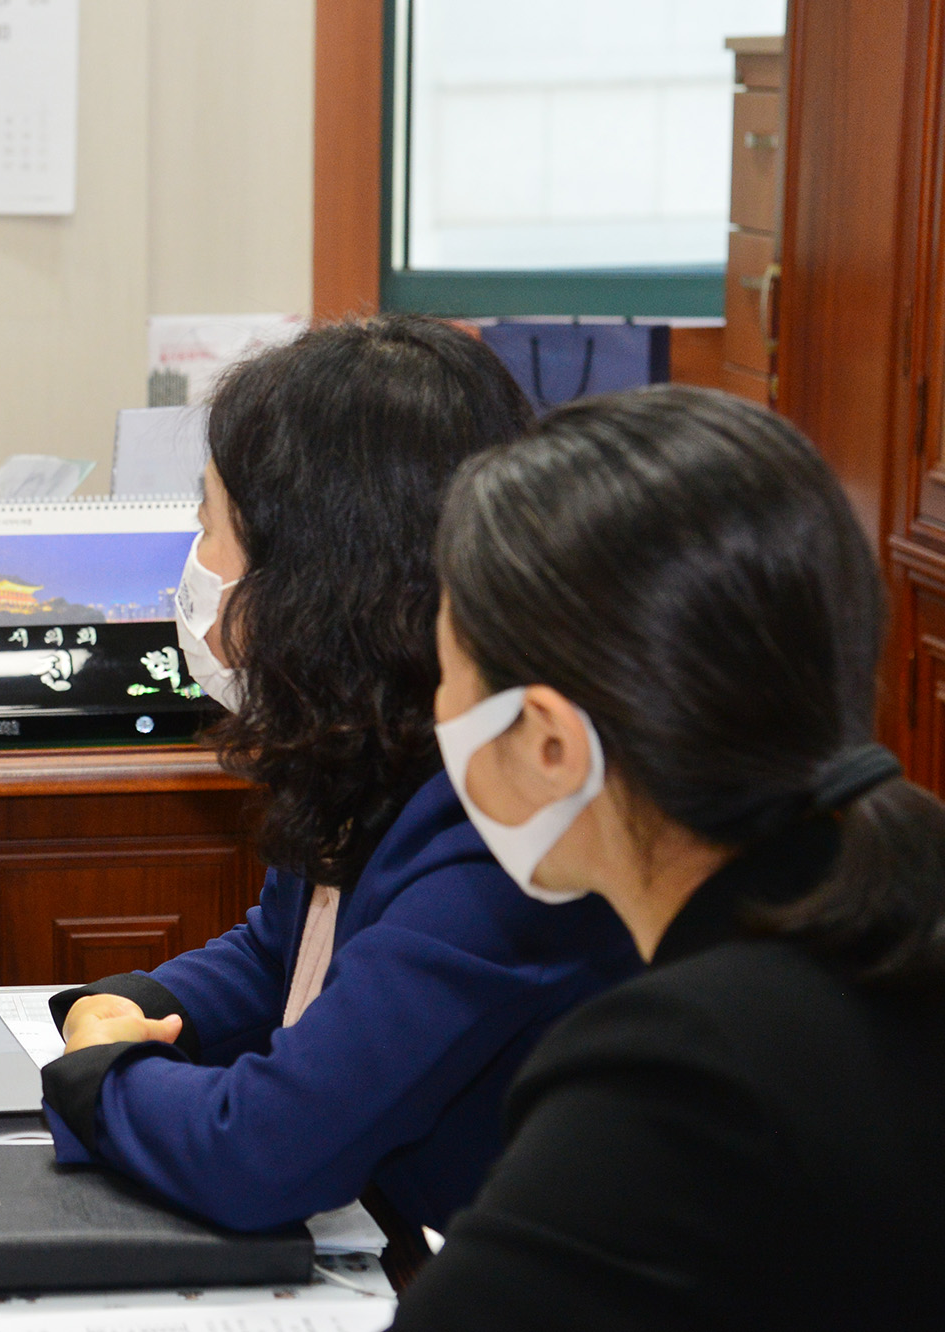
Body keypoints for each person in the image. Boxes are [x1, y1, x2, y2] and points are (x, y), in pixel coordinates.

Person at [41, 317, 639, 1236]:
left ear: (315, 574)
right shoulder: (377, 738)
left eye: (210, 526)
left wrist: (99, 1077)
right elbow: (288, 950)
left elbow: (263, 1153)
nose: (194, 567)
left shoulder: (501, 821)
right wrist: (137, 1006)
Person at [388, 386, 945, 1327]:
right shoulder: (898, 886)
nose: (436, 713)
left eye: (446, 676)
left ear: (549, 743)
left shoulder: (680, 1073)